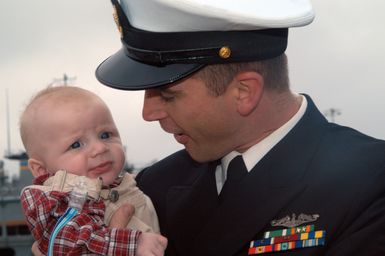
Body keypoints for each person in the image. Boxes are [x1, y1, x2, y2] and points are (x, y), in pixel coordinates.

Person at [93, 0, 385, 255]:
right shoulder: (155, 186)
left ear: (244, 92)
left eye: (168, 95)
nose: (148, 113)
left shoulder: (371, 183)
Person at [20, 86, 167, 256]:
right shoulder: (56, 204)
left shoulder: (129, 186)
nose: (99, 148)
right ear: (41, 170)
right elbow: (69, 243)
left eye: (105, 135)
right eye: (76, 145)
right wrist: (133, 244)